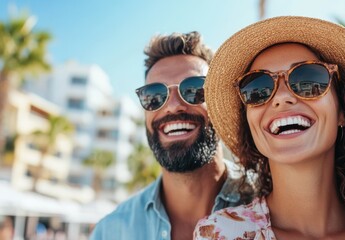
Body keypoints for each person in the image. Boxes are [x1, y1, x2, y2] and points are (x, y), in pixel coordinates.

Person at [194, 16, 345, 239]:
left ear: (344, 111)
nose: (281, 98)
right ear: (249, 121)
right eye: (259, 87)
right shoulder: (219, 234)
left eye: (308, 78)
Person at [90, 31, 255, 240]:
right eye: (154, 96)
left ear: (221, 102)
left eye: (194, 89)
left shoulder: (273, 205)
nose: (173, 106)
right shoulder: (110, 232)